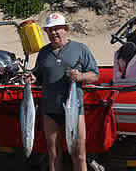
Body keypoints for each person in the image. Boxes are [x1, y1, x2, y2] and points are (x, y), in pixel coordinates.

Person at [26, 12, 99, 171]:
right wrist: (32, 78)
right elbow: (38, 76)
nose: (53, 33)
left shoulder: (80, 49)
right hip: (50, 110)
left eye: (57, 28)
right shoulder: (44, 52)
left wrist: (80, 76)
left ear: (65, 29)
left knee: (79, 153)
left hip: (74, 109)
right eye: (50, 30)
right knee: (53, 154)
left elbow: (94, 75)